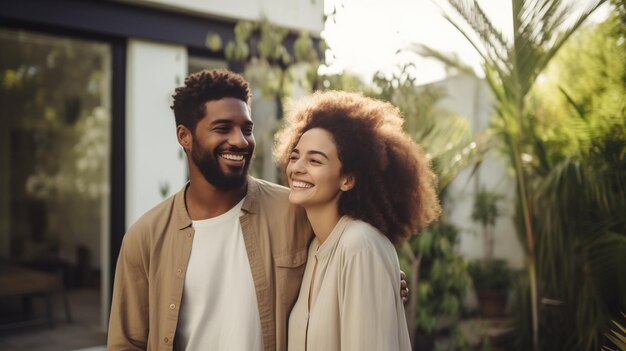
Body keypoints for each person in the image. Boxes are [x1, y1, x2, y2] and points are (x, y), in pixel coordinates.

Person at [107, 69, 407, 351]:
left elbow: (350, 248)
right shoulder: (145, 238)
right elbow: (126, 343)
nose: (239, 141)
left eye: (246, 128)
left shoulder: (293, 212)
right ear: (185, 136)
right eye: (222, 128)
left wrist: (383, 278)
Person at [274, 90, 441, 351]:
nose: (297, 167)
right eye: (295, 156)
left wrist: (373, 269)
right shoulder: (314, 248)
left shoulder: (359, 246)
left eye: (315, 160)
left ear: (347, 179)